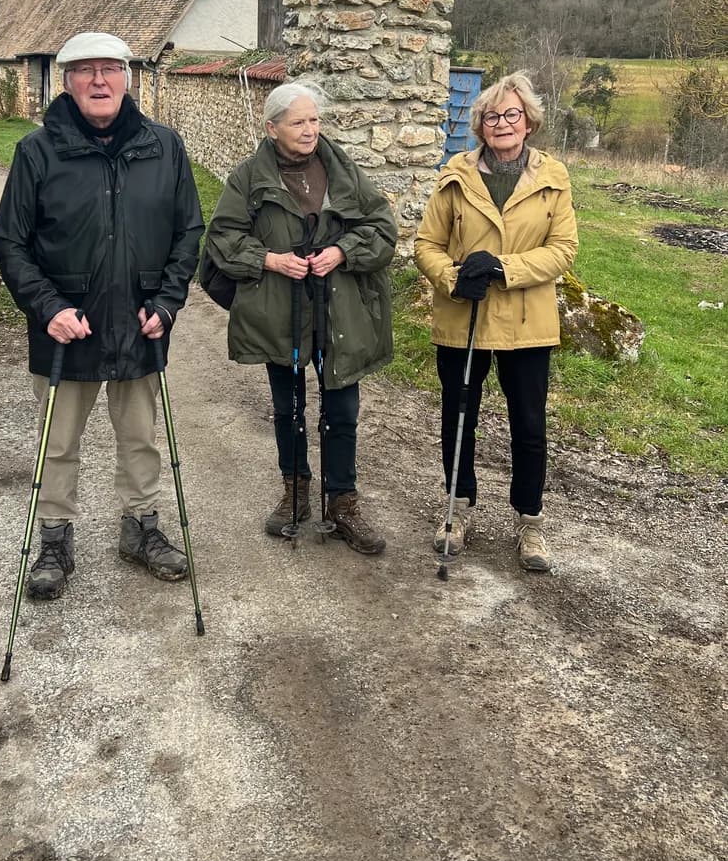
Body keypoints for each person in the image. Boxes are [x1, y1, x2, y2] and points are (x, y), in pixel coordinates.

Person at [0, 31, 203, 599]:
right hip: (66, 329)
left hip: (140, 323)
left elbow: (189, 232)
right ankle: (54, 540)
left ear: (127, 79)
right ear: (67, 82)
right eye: (85, 70)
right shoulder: (38, 151)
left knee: (140, 438)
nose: (99, 80)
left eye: (110, 69)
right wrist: (48, 308)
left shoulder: (164, 147)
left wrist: (168, 303)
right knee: (58, 442)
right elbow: (10, 242)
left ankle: (142, 528)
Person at [203, 80, 398, 553]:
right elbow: (223, 237)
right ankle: (295, 493)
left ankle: (343, 502)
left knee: (342, 410)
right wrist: (270, 260)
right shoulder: (249, 177)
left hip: (338, 310)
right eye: (298, 122)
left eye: (314, 120)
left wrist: (342, 252)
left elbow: (382, 227)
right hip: (281, 310)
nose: (310, 130)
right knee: (288, 407)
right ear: (272, 128)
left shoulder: (342, 168)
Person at [415, 72, 578, 571]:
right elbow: (426, 244)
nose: (502, 123)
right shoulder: (455, 176)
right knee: (459, 418)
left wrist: (503, 268)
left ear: (529, 122)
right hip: (464, 316)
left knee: (528, 424)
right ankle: (456, 510)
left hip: (527, 322)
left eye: (512, 114)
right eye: (492, 116)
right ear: (480, 125)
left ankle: (530, 521)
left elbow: (563, 249)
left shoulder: (553, 178)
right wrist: (453, 277)